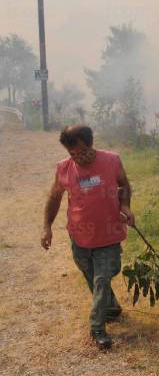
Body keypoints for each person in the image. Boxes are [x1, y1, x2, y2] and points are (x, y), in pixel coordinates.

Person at [41, 125, 135, 350]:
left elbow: (124, 184)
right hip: (79, 237)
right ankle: (110, 308)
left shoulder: (111, 161)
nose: (78, 158)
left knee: (102, 279)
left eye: (82, 152)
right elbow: (54, 198)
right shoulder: (64, 169)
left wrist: (125, 205)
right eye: (73, 154)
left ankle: (97, 328)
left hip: (109, 235)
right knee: (94, 278)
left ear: (91, 144)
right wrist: (47, 227)